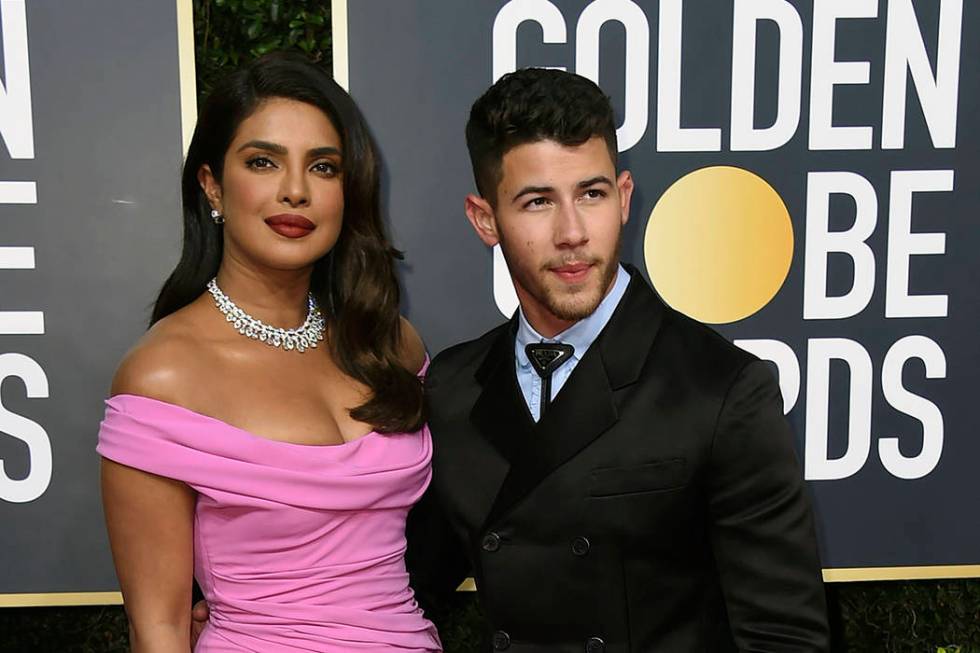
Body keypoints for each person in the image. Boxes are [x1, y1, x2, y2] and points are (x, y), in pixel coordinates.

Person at [408, 68, 830, 651]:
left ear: (624, 197)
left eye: (592, 193)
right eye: (537, 202)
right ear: (485, 220)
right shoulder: (453, 389)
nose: (573, 232)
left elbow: (785, 639)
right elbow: (399, 597)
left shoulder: (721, 388)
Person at [98, 53, 441, 652]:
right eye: (263, 162)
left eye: (324, 167)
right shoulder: (163, 375)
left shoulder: (392, 345)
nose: (295, 191)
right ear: (212, 186)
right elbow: (158, 629)